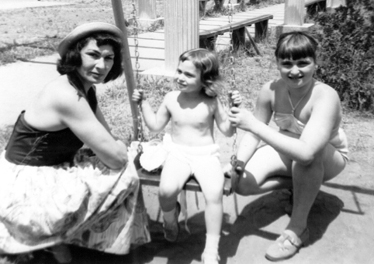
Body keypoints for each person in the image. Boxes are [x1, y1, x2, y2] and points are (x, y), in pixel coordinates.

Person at [0, 22, 150, 263]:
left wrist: (117, 146)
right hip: (25, 182)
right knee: (125, 174)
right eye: (92, 54)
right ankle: (63, 241)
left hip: (49, 166)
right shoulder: (67, 95)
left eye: (109, 58)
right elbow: (115, 155)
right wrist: (120, 149)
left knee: (118, 165)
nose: (101, 65)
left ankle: (67, 242)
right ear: (75, 55)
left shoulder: (84, 89)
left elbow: (107, 136)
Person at [227, 31, 348, 262]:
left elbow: (306, 151)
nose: (295, 71)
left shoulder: (325, 95)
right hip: (289, 149)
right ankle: (304, 187)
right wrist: (239, 162)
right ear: (277, 64)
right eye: (287, 64)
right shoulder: (269, 90)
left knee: (308, 157)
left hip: (329, 157)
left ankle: (298, 228)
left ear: (315, 63)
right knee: (240, 183)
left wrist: (253, 125)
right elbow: (253, 134)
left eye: (303, 63)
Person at [132, 48, 241, 264]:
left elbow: (227, 131)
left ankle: (211, 248)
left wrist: (235, 109)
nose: (181, 77)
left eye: (189, 75)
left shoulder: (212, 102)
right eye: (179, 71)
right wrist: (143, 103)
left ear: (205, 79)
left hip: (206, 155)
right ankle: (171, 220)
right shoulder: (171, 98)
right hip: (178, 153)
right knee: (166, 190)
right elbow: (154, 126)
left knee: (214, 192)